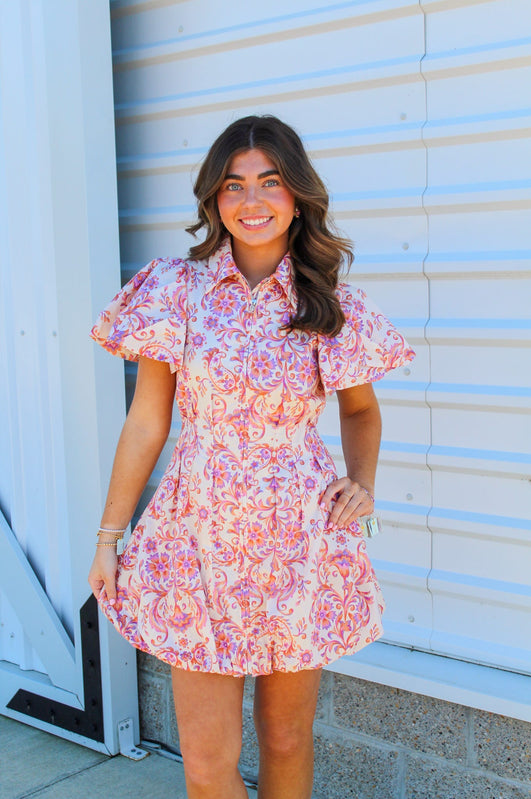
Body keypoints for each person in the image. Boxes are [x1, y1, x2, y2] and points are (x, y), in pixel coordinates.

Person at [88, 114, 414, 799]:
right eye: (233, 186)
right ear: (213, 200)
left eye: (269, 181)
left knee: (288, 737)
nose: (252, 200)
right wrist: (109, 534)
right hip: (196, 538)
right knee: (208, 763)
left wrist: (361, 482)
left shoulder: (331, 303)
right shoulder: (175, 290)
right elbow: (147, 420)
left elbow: (359, 409)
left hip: (298, 540)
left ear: (296, 194)